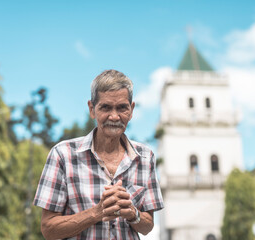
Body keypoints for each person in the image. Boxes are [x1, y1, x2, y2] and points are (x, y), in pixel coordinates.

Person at [33, 69, 164, 240]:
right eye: (106, 107)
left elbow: (147, 226)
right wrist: (96, 213)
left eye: (122, 108)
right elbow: (49, 229)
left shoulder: (145, 157)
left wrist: (133, 213)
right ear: (92, 109)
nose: (115, 116)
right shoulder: (62, 155)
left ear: (131, 110)